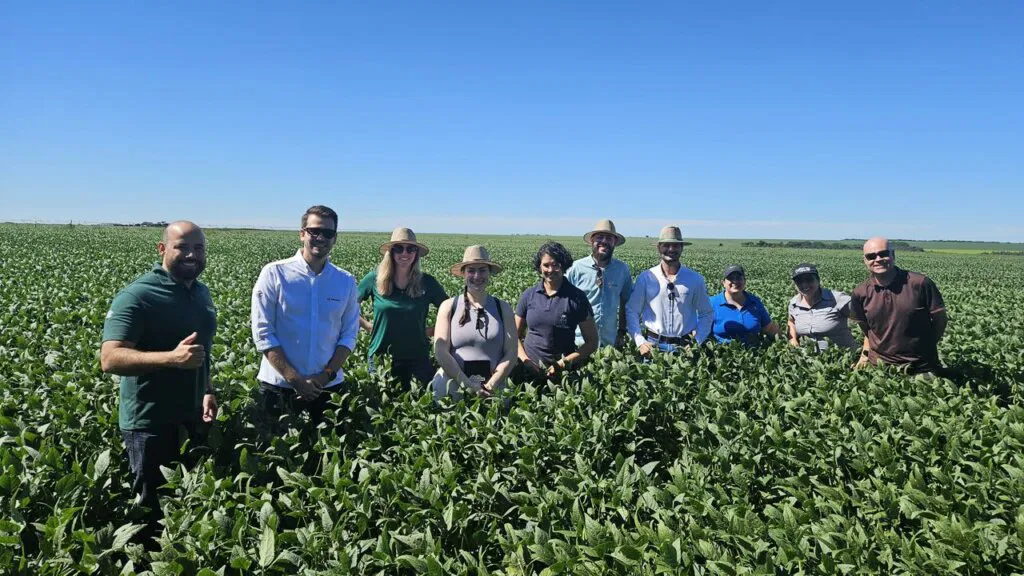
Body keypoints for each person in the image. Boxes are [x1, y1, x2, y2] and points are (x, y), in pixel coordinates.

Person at [100, 220, 217, 546]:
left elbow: (201, 352)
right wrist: (170, 358)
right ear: (163, 249)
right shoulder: (137, 295)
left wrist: (207, 390)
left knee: (184, 505)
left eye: (199, 248)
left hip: (192, 417)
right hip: (149, 423)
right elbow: (110, 359)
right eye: (182, 246)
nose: (192, 254)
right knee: (151, 517)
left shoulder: (200, 292)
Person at [250, 205, 360, 428]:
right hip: (279, 386)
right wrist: (295, 379)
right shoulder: (274, 273)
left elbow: (349, 335)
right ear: (302, 234)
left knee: (327, 455)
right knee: (275, 456)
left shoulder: (345, 281)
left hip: (328, 387)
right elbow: (263, 333)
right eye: (314, 231)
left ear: (335, 238)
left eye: (328, 233)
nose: (321, 238)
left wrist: (325, 376)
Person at [359, 227, 448, 389]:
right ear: (391, 252)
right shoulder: (374, 279)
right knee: (383, 408)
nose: (404, 253)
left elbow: (451, 311)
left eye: (410, 249)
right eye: (398, 248)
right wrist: (368, 326)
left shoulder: (427, 282)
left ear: (416, 253)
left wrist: (432, 330)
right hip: (381, 357)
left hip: (417, 358)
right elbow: (348, 306)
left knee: (424, 406)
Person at [850, 236, 948, 374]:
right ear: (865, 260)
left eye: (883, 254)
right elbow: (867, 329)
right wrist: (864, 356)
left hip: (921, 367)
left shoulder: (920, 283)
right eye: (871, 256)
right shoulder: (860, 292)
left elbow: (940, 320)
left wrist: (926, 347)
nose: (878, 259)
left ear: (893, 255)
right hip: (879, 368)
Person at [432, 246, 517, 400]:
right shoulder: (448, 306)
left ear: (490, 273)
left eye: (483, 270)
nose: (477, 276)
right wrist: (467, 385)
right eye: (471, 270)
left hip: (493, 387)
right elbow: (440, 351)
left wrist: (491, 384)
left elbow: (511, 352)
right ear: (463, 274)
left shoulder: (503, 308)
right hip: (452, 384)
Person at [514, 241, 598, 383]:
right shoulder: (529, 295)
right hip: (528, 371)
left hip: (563, 374)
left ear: (564, 266)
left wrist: (563, 363)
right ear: (539, 267)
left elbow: (592, 342)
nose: (550, 269)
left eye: (556, 265)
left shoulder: (577, 298)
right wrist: (526, 361)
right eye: (546, 265)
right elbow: (514, 336)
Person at [626, 225, 713, 354]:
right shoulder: (646, 278)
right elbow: (632, 310)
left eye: (676, 245)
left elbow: (706, 313)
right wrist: (640, 342)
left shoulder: (695, 279)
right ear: (658, 248)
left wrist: (697, 342)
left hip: (685, 347)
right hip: (652, 346)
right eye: (666, 245)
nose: (671, 249)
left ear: (682, 248)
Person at [566, 219, 633, 348]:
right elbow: (562, 303)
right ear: (592, 240)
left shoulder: (622, 270)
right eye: (600, 237)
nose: (604, 241)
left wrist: (622, 331)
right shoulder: (575, 268)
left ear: (614, 242)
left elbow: (626, 301)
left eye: (609, 238)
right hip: (579, 344)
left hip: (609, 344)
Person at [787, 263, 858, 351]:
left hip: (843, 358)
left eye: (809, 279)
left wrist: (865, 354)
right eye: (799, 281)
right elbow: (791, 321)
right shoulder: (794, 303)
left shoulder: (837, 299)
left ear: (818, 280)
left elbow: (868, 320)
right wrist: (793, 339)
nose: (804, 284)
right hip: (809, 360)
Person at [710, 265, 781, 346]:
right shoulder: (712, 303)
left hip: (753, 354)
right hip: (722, 353)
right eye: (731, 278)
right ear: (723, 283)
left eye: (739, 277)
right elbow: (699, 331)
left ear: (744, 281)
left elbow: (769, 328)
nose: (735, 281)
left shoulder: (755, 302)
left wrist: (788, 340)